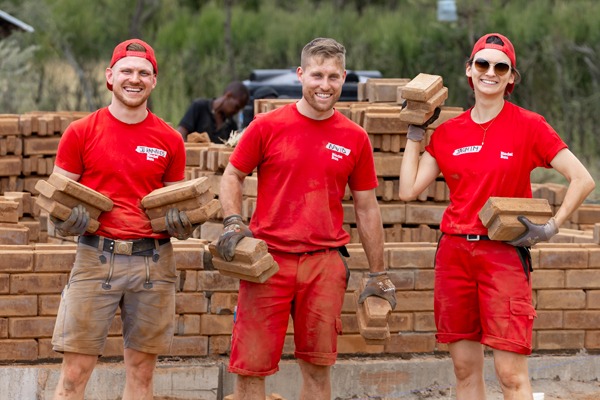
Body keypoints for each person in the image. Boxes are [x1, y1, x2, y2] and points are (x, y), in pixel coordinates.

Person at [399, 32, 595, 399]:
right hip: (454, 255)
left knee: (510, 374)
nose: (491, 71)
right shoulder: (447, 133)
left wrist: (551, 227)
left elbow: (582, 179)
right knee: (464, 370)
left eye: (500, 66)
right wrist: (415, 131)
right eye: (483, 64)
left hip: (502, 256)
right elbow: (408, 189)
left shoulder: (529, 125)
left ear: (511, 78)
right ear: (469, 71)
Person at [216, 37, 396, 400]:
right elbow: (232, 175)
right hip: (267, 264)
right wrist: (234, 220)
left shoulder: (355, 137)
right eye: (317, 75)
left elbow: (366, 207)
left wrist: (378, 274)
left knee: (317, 370)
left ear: (343, 77)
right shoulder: (267, 126)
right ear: (301, 74)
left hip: (324, 266)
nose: (325, 85)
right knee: (250, 370)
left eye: (333, 77)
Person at [50, 38, 194, 400]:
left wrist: (183, 223)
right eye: (127, 71)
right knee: (74, 374)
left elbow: (175, 205)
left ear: (154, 81)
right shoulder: (81, 132)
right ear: (110, 77)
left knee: (142, 375)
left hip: (153, 262)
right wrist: (64, 221)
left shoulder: (169, 140)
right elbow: (56, 200)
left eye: (144, 73)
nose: (135, 79)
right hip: (95, 258)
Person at [176, 81, 249, 143]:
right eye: (236, 107)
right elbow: (180, 134)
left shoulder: (231, 125)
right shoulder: (199, 107)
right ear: (228, 96)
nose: (236, 111)